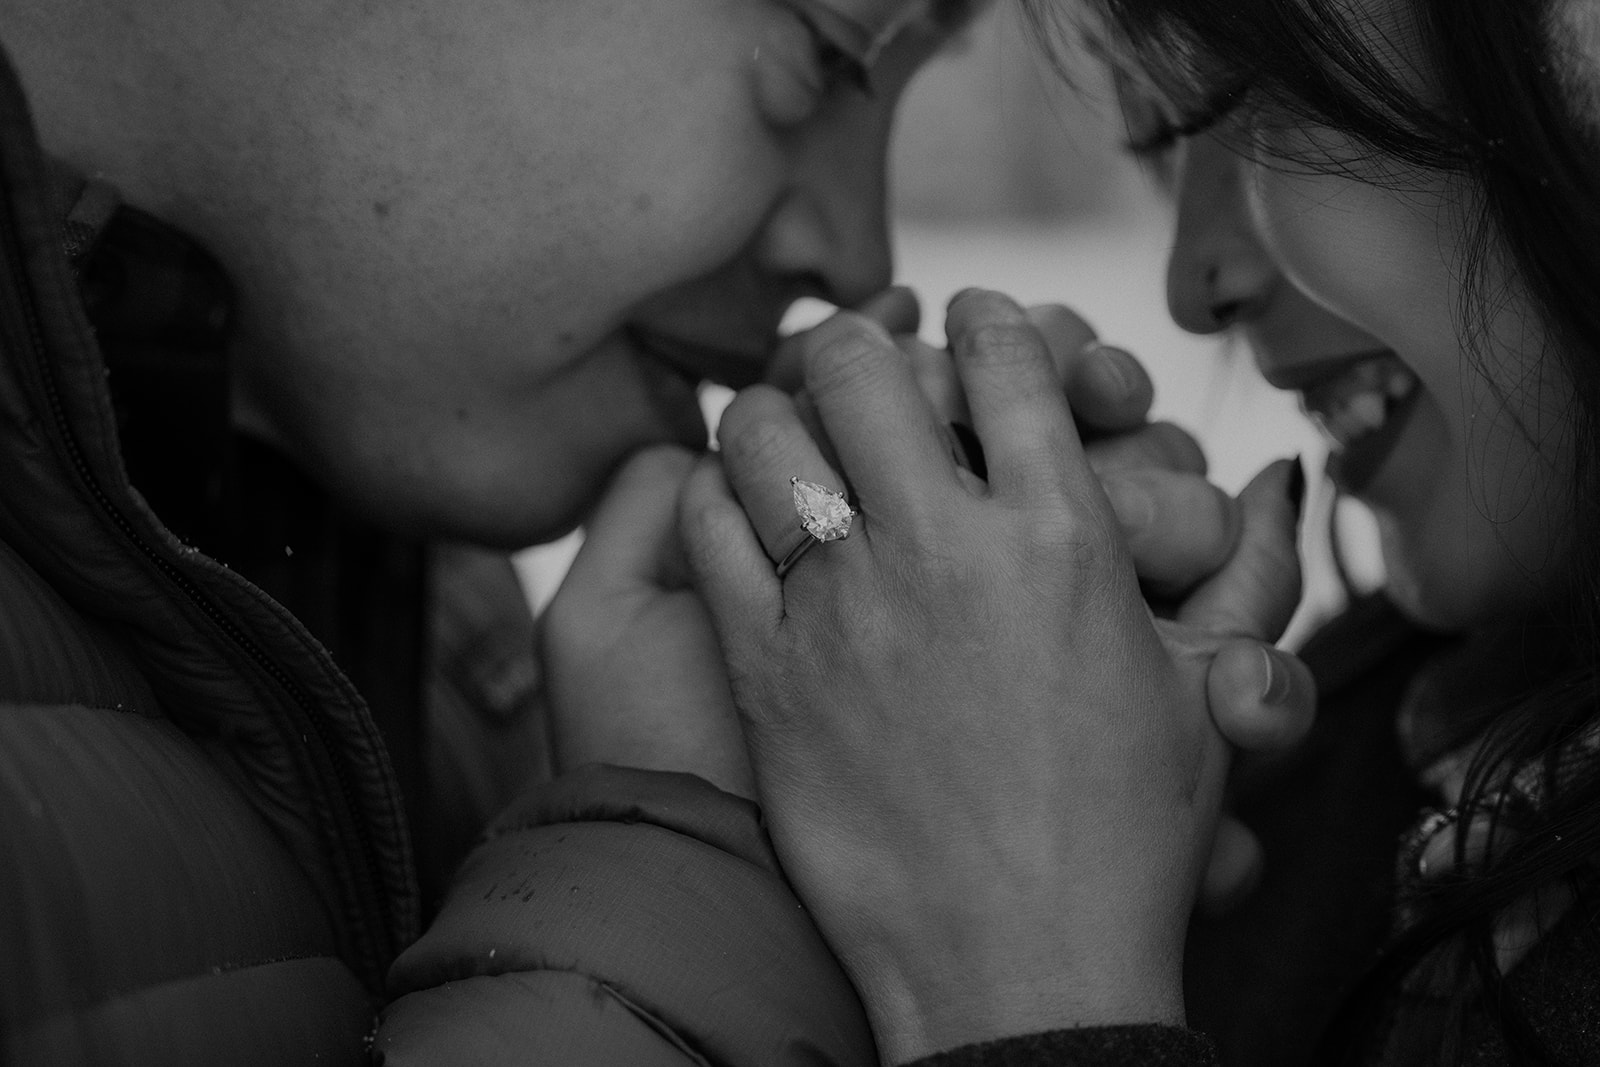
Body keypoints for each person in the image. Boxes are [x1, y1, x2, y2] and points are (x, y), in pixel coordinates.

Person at [0, 0, 1309, 1063]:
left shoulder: (447, 622)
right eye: (825, 57)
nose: (857, 251)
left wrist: (924, 774)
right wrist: (704, 841)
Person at [668, 0, 1600, 1062]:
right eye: (1165, 139)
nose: (1194, 284)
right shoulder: (1370, 760)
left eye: (1256, 106)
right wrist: (1002, 734)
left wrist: (1027, 970)